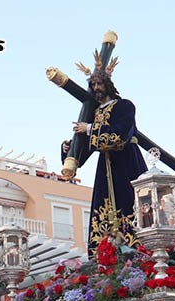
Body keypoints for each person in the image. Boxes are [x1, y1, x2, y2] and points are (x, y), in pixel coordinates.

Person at [65, 49, 147, 251]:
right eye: (93, 85)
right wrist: (70, 150)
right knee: (104, 214)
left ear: (108, 85)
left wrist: (90, 129)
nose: (96, 88)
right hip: (105, 167)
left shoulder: (124, 106)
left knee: (131, 206)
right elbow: (86, 150)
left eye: (99, 84)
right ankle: (105, 254)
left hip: (127, 163)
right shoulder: (93, 114)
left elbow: (121, 134)